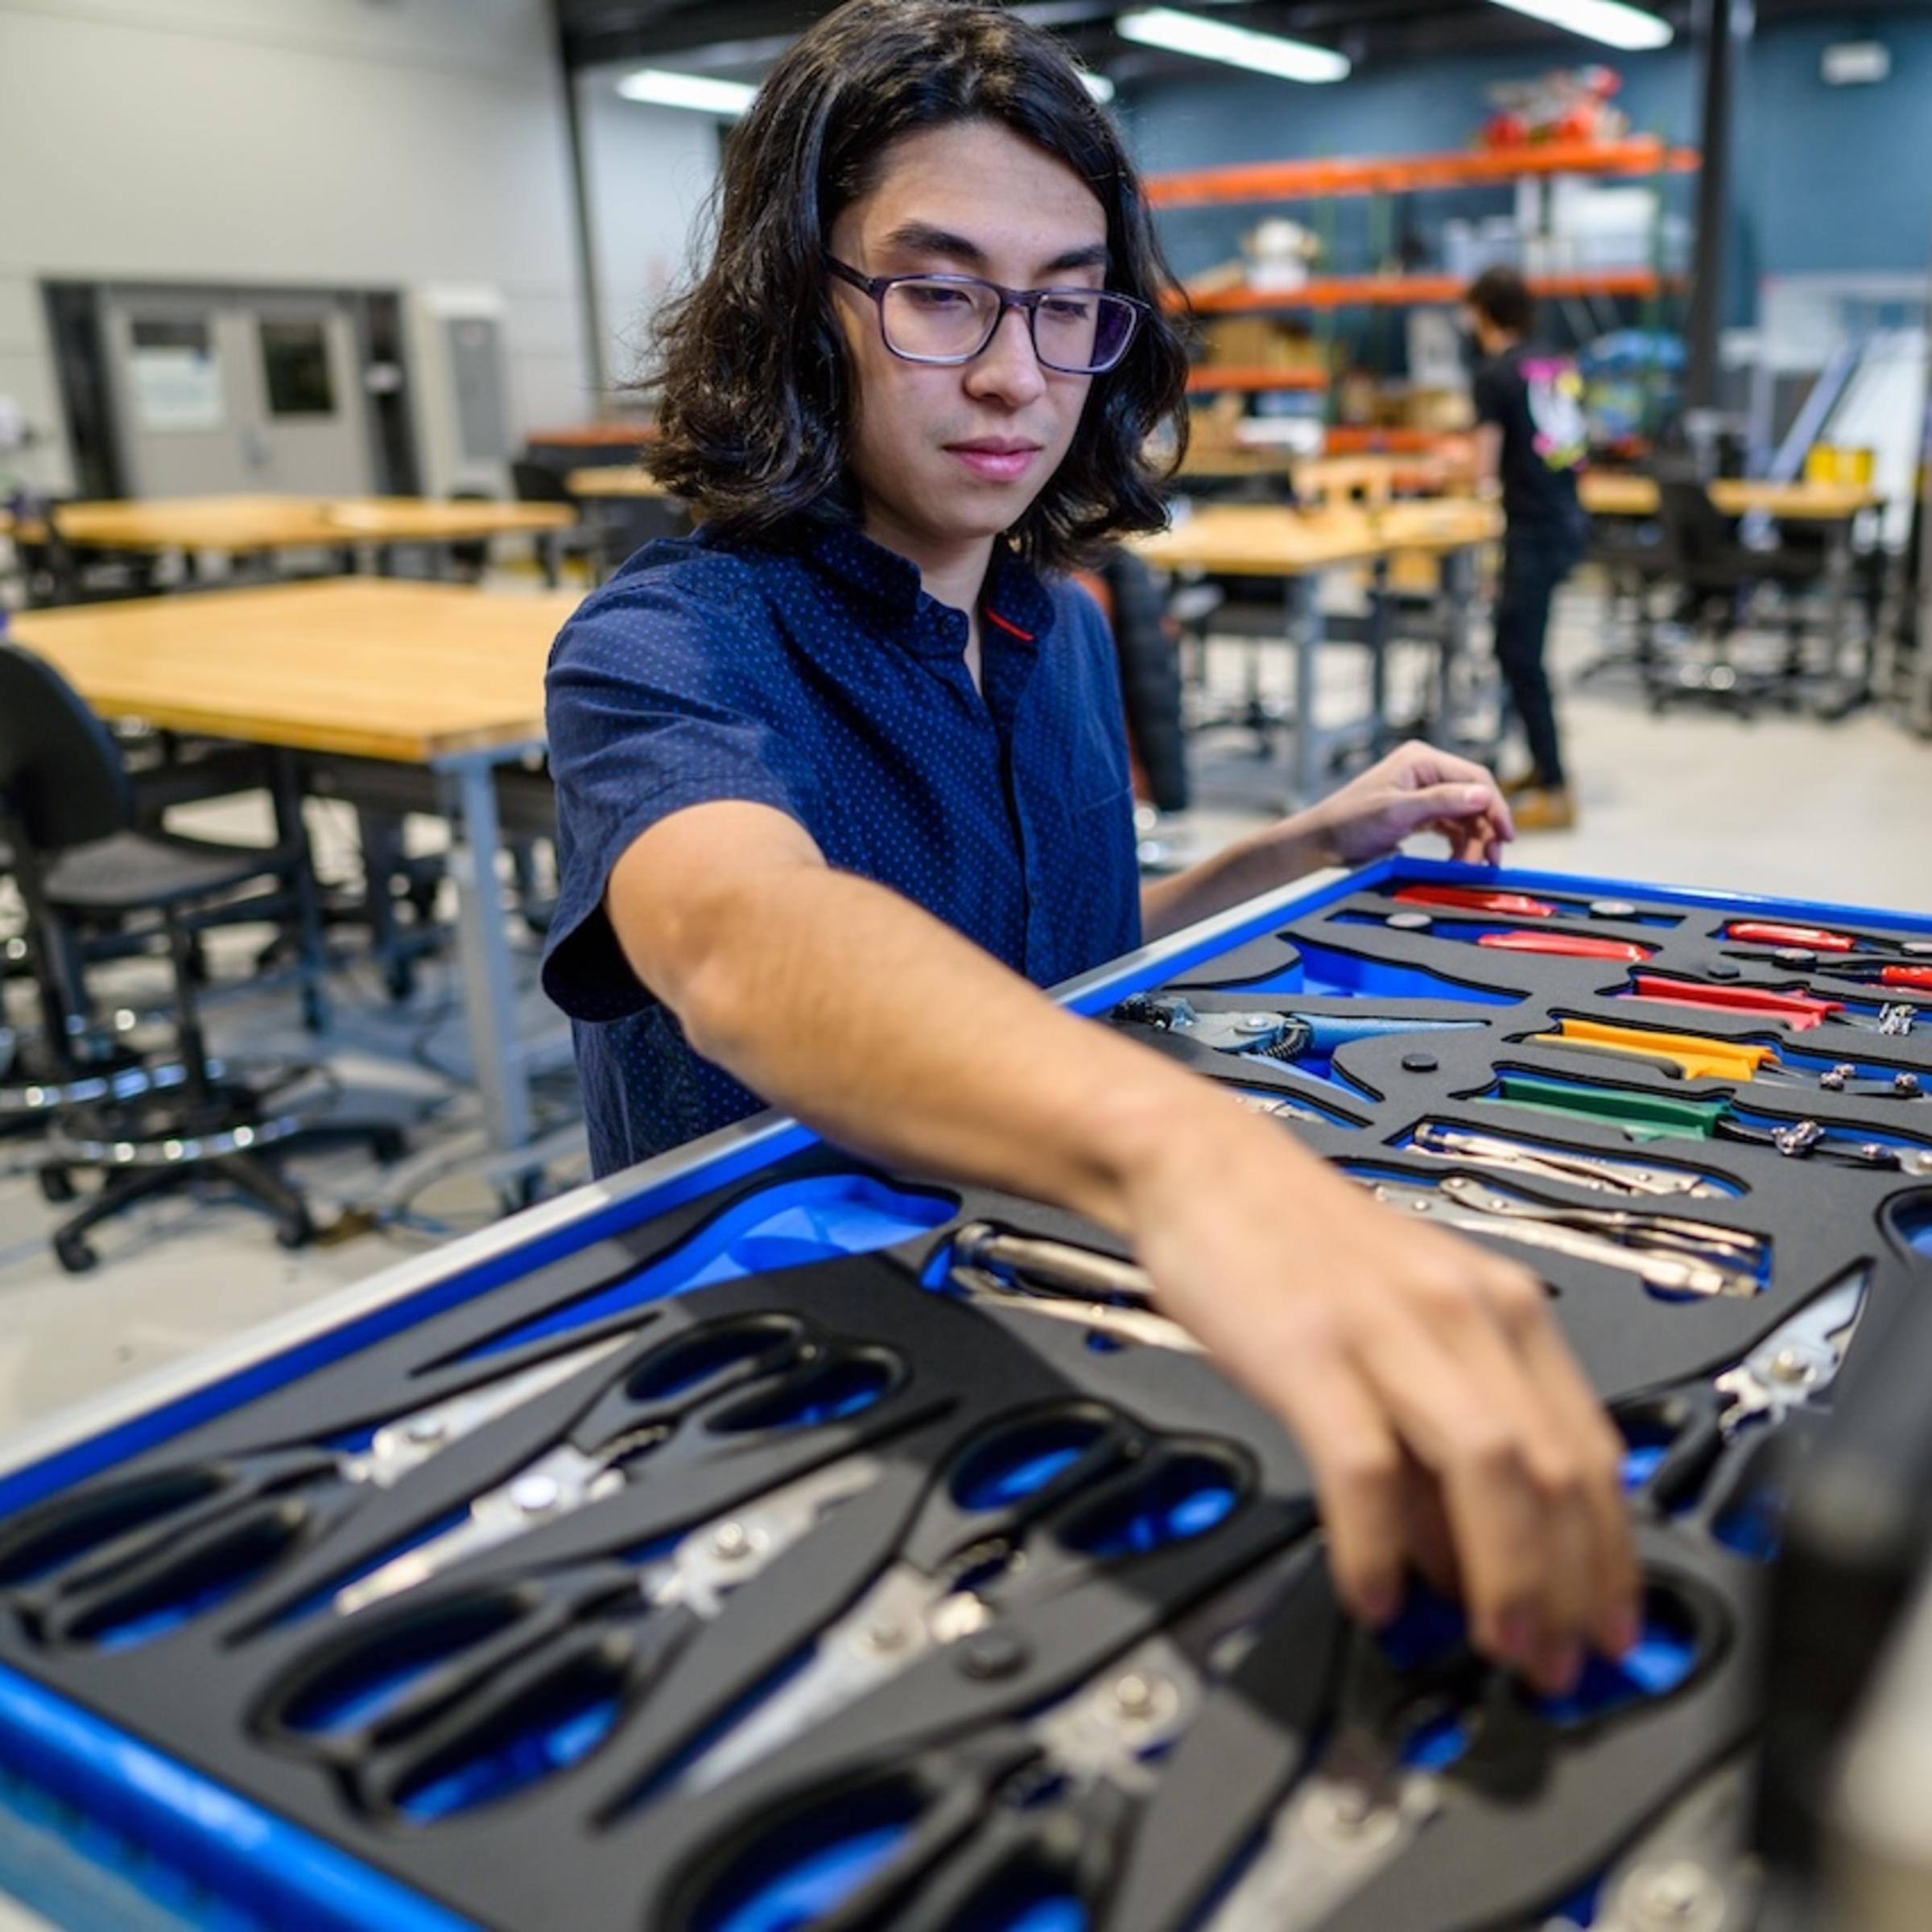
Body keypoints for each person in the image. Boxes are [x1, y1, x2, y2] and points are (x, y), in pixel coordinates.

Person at [545, 0, 1636, 1694]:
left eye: (1066, 306)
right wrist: (1195, 1164)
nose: (1015, 372)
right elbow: (744, 938)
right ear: (796, 305)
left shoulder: (1043, 627)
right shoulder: (672, 647)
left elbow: (1043, 954)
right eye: (939, 291)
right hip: (773, 1405)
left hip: (1030, 1334)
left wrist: (1297, 849)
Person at [1464, 264, 1592, 832]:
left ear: (1482, 312)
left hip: (1533, 528)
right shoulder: (1556, 363)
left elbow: (1484, 469)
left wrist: (1461, 472)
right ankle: (1540, 769)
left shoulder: (1494, 374)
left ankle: (1558, 787)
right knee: (1519, 646)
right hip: (1565, 519)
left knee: (1520, 654)